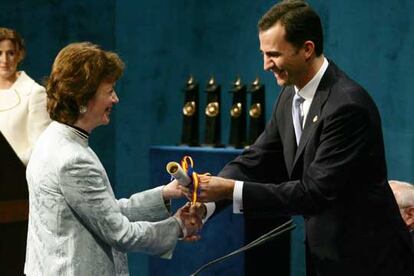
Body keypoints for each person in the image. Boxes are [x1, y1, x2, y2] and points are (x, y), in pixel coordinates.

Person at [188, 1, 414, 275]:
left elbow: (313, 192)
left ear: (307, 49)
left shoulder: (347, 106)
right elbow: (256, 160)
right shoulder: (290, 95)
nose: (265, 65)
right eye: (263, 53)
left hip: (368, 261)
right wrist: (206, 202)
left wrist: (229, 189)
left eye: (273, 55)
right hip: (325, 257)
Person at [24, 42, 202, 276]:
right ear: (83, 99)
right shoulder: (73, 159)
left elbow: (103, 212)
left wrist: (164, 195)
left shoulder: (56, 139)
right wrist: (178, 226)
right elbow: (121, 233)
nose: (115, 99)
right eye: (109, 92)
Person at [0, 27, 50, 165]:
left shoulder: (34, 93)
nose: (4, 60)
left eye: (10, 53)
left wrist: (7, 165)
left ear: (20, 55)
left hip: (17, 180)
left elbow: (41, 147)